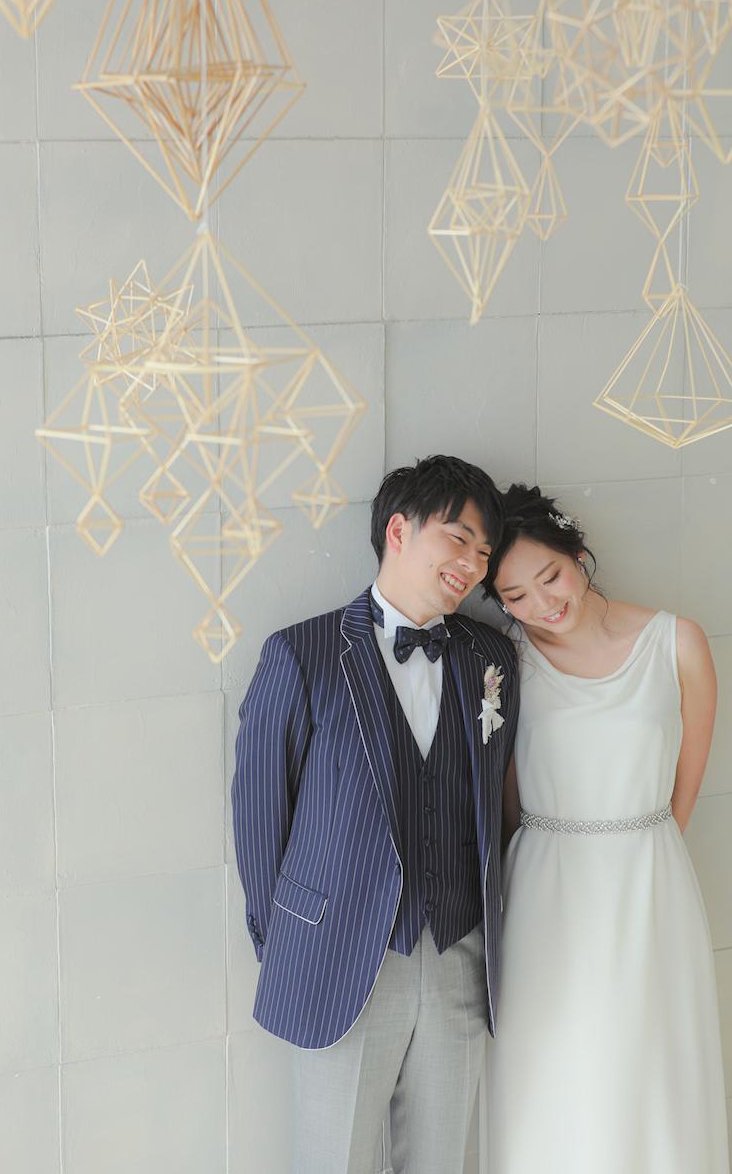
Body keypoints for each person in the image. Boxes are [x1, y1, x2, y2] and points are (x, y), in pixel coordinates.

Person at [232, 455, 520, 1174]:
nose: (473, 566)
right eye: (459, 539)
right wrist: (296, 946)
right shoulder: (302, 654)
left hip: (459, 954)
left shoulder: (492, 658)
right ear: (399, 530)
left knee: (444, 1160)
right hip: (343, 962)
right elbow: (260, 818)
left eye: (484, 553)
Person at [481, 483, 729, 1174]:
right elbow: (507, 800)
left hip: (648, 880)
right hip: (544, 891)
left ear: (579, 555)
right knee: (552, 1074)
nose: (542, 604)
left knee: (649, 1070)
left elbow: (684, 789)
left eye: (550, 576)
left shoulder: (677, 642)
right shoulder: (505, 663)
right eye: (515, 596)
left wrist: (632, 851)